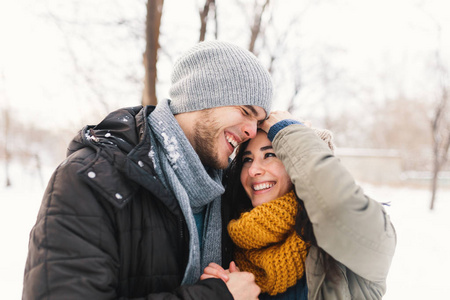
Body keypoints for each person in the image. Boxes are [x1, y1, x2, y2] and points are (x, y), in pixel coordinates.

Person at [22, 41, 273, 300]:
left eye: (258, 121)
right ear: (202, 97)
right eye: (245, 112)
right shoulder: (89, 180)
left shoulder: (230, 191)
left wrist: (289, 132)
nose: (251, 132)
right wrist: (217, 296)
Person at [202, 111, 397, 299]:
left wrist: (288, 132)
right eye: (247, 159)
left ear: (296, 163)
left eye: (269, 155)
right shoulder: (226, 236)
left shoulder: (357, 238)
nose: (253, 170)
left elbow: (338, 205)